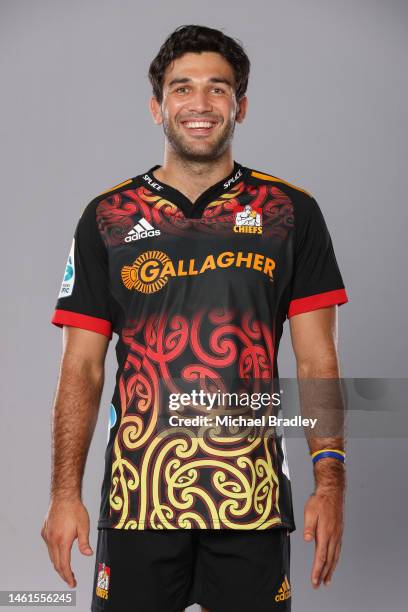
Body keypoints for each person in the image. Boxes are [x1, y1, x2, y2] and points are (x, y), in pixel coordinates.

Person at [41, 24, 349, 612]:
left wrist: (330, 484)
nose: (200, 104)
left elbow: (318, 360)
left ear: (241, 105)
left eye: (218, 88)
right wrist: (63, 495)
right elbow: (81, 368)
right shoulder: (107, 217)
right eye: (183, 89)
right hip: (137, 501)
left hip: (251, 502)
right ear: (158, 106)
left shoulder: (290, 212)